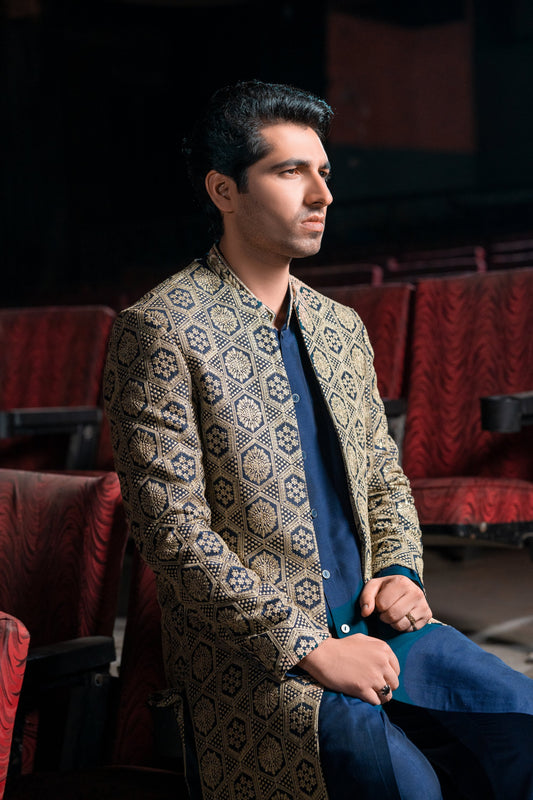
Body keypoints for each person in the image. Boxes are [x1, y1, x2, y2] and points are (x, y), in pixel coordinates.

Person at [104, 80, 533, 800]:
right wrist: (307, 647)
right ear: (224, 190)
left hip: (375, 626)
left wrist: (399, 570)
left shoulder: (340, 327)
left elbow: (383, 477)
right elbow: (172, 535)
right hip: (257, 658)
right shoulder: (160, 329)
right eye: (289, 171)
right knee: (403, 782)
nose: (321, 195)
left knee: (520, 718)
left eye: (324, 172)